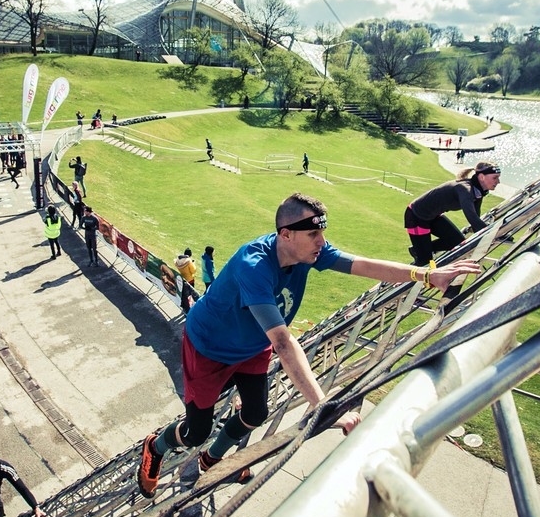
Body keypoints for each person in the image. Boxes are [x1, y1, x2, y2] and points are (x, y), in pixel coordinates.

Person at [136, 193, 482, 498]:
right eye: (313, 234)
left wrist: (425, 274)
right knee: (197, 431)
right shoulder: (253, 266)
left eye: (322, 233)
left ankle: (212, 460)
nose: (322, 241)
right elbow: (284, 343)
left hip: (253, 346)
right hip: (210, 349)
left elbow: (360, 264)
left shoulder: (310, 254)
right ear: (285, 235)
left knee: (255, 412)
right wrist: (322, 405)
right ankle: (157, 445)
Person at [403, 161, 502, 266]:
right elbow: (472, 218)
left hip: (433, 217)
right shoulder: (465, 189)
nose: (498, 181)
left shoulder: (478, 192)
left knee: (458, 243)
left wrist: (495, 233)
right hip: (416, 217)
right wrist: (493, 234)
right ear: (482, 177)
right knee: (424, 262)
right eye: (495, 178)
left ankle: (418, 249)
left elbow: (476, 220)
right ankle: (401, 277)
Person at [174, 248, 196, 314]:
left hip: (182, 278)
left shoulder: (178, 259)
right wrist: (193, 263)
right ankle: (189, 309)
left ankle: (183, 306)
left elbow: (175, 263)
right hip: (190, 280)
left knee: (183, 294)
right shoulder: (188, 261)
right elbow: (193, 270)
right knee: (190, 295)